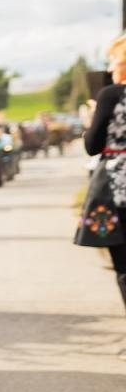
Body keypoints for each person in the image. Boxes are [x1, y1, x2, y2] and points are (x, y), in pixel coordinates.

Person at [76, 32, 126, 350]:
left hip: (117, 185)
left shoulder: (111, 95)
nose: (109, 68)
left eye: (112, 61)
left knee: (124, 266)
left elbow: (92, 146)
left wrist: (93, 117)